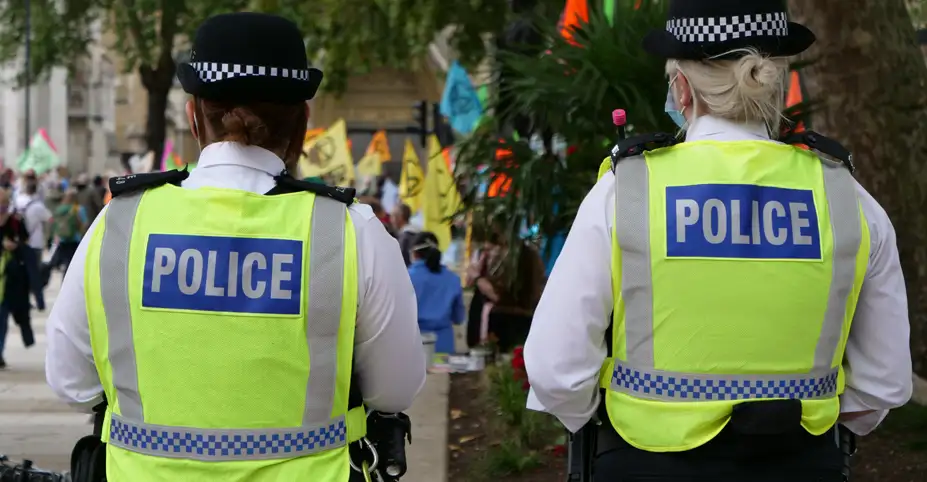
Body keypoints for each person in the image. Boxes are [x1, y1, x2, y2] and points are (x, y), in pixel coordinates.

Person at [523, 1, 913, 481]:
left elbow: (554, 368)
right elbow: (884, 382)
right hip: (801, 462)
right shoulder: (847, 196)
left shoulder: (626, 190)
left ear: (682, 88)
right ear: (776, 81)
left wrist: (603, 423)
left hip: (644, 464)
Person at [45, 12, 425, 482]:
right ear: (304, 121)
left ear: (193, 114)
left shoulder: (119, 221)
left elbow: (71, 383)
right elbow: (394, 390)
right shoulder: (353, 232)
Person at [408, 232, 465, 355]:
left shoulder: (405, 277)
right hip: (444, 344)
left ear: (414, 254)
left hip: (412, 345)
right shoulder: (453, 279)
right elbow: (459, 318)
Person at [0, 189, 34, 369]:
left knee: (2, 318)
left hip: (11, 279)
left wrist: (16, 246)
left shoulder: (15, 222)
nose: (2, 211)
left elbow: (26, 243)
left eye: (4, 206)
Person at [14, 180, 51, 311]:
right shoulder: (38, 206)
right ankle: (40, 302)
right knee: (35, 275)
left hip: (19, 243)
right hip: (35, 243)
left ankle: (25, 301)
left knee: (22, 274)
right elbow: (49, 219)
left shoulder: (18, 202)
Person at [45, 188, 88, 279]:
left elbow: (54, 223)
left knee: (64, 262)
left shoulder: (59, 209)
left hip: (61, 239)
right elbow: (85, 224)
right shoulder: (78, 208)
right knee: (72, 264)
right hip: (74, 239)